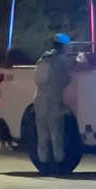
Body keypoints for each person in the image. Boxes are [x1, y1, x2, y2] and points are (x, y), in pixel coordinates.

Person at [34, 34, 74, 174]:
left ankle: (44, 164)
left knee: (42, 135)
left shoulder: (43, 59)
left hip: (39, 100)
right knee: (57, 134)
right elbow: (71, 74)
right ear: (64, 46)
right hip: (54, 101)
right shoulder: (62, 60)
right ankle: (59, 164)